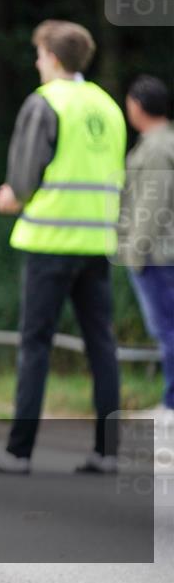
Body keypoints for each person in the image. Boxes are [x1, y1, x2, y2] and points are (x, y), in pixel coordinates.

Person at [0, 20, 127, 475]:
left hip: (51, 240)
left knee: (35, 344)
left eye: (40, 54)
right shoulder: (108, 106)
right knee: (102, 345)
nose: (37, 62)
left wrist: (11, 197)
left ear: (54, 58)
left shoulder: (46, 102)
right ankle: (107, 451)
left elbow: (25, 175)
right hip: (97, 242)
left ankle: (19, 452)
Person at [118, 75, 174, 415]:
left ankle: (171, 403)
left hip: (158, 255)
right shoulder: (165, 141)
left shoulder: (155, 148)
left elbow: (151, 205)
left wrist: (134, 251)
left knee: (166, 328)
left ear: (137, 106)